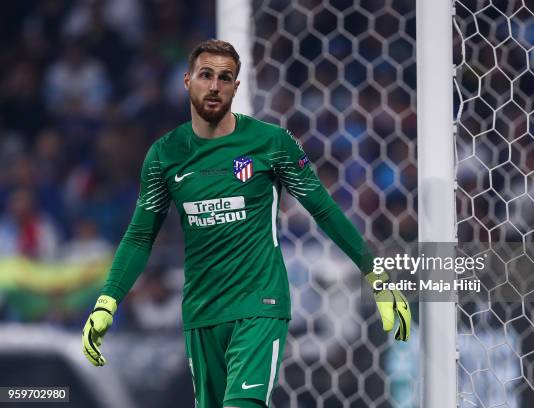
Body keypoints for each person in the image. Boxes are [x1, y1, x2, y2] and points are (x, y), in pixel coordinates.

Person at [81, 39, 410, 408]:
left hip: (260, 303)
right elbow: (141, 236)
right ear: (188, 81)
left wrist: (376, 277)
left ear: (237, 87)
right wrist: (108, 301)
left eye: (225, 77)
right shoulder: (165, 154)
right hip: (202, 310)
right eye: (206, 75)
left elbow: (325, 210)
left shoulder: (270, 143)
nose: (215, 85)